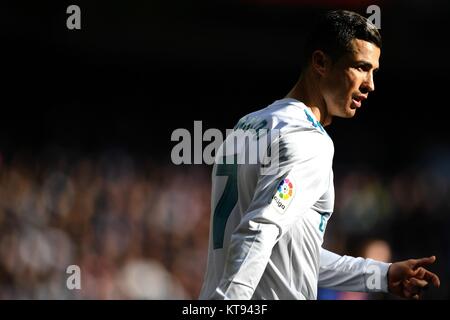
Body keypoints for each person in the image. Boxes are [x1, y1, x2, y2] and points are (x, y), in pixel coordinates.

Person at [199, 10, 440, 300]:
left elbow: (289, 254)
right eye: (362, 67)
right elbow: (258, 231)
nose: (370, 84)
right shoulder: (309, 140)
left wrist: (381, 275)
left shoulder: (246, 125)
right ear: (321, 62)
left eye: (374, 71)